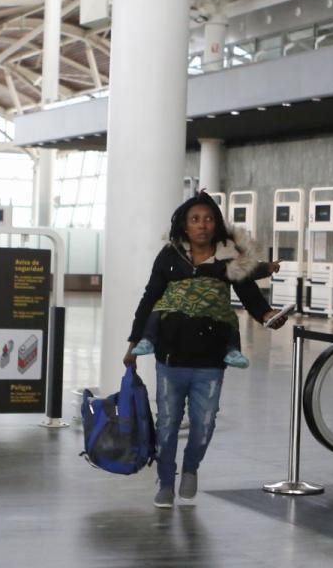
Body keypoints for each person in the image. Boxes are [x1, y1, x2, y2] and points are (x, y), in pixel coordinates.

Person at [123, 190, 289, 509]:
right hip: (170, 357)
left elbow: (249, 293)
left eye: (209, 219)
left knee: (206, 421)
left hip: (211, 359)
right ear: (185, 226)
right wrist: (133, 342)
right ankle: (166, 480)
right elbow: (149, 299)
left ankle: (191, 468)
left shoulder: (228, 259)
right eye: (195, 219)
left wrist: (268, 316)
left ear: (217, 225)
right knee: (168, 423)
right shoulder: (170, 256)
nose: (202, 225)